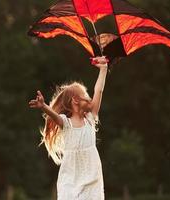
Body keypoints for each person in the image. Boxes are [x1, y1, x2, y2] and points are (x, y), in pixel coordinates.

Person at [28, 56, 108, 200]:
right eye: (85, 95)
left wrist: (104, 69)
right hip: (71, 176)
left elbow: (99, 91)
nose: (89, 98)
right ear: (75, 100)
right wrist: (44, 106)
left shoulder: (90, 118)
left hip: (91, 176)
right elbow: (55, 116)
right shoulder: (66, 123)